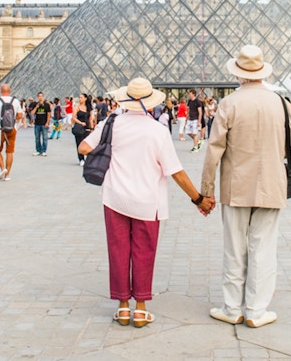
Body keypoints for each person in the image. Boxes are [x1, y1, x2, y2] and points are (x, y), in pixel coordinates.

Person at [78, 77, 215, 328]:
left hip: (114, 197)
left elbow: (84, 147)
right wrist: (198, 199)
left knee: (118, 251)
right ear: (151, 104)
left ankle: (122, 308)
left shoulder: (112, 123)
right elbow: (176, 172)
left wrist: (107, 149)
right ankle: (140, 309)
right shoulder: (158, 130)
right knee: (144, 252)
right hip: (147, 201)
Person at [200, 45, 291, 328]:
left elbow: (213, 151)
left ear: (239, 74)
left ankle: (232, 308)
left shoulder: (228, 104)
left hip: (236, 187)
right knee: (264, 248)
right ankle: (257, 311)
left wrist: (206, 191)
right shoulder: (281, 103)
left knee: (234, 248)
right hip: (272, 184)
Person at [0, 84, 23, 181]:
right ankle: (7, 175)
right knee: (10, 152)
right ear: (10, 91)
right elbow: (20, 115)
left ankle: (3, 168)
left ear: (1, 91)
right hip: (12, 129)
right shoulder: (15, 101)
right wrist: (13, 118)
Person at [72, 94, 95, 166]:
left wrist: (92, 129)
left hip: (87, 128)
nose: (79, 99)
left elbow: (91, 119)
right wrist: (80, 123)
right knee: (79, 143)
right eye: (79, 97)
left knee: (87, 143)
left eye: (81, 97)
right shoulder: (77, 107)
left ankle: (88, 158)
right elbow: (73, 117)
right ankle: (81, 159)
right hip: (79, 127)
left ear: (85, 99)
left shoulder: (89, 108)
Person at [32, 92, 51, 156]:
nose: (40, 97)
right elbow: (32, 113)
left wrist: (47, 123)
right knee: (37, 138)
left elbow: (48, 114)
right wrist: (36, 107)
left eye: (41, 96)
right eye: (39, 96)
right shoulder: (35, 104)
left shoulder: (46, 105)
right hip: (37, 123)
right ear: (37, 97)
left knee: (45, 138)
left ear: (43, 97)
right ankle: (38, 150)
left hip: (44, 123)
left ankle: (44, 150)